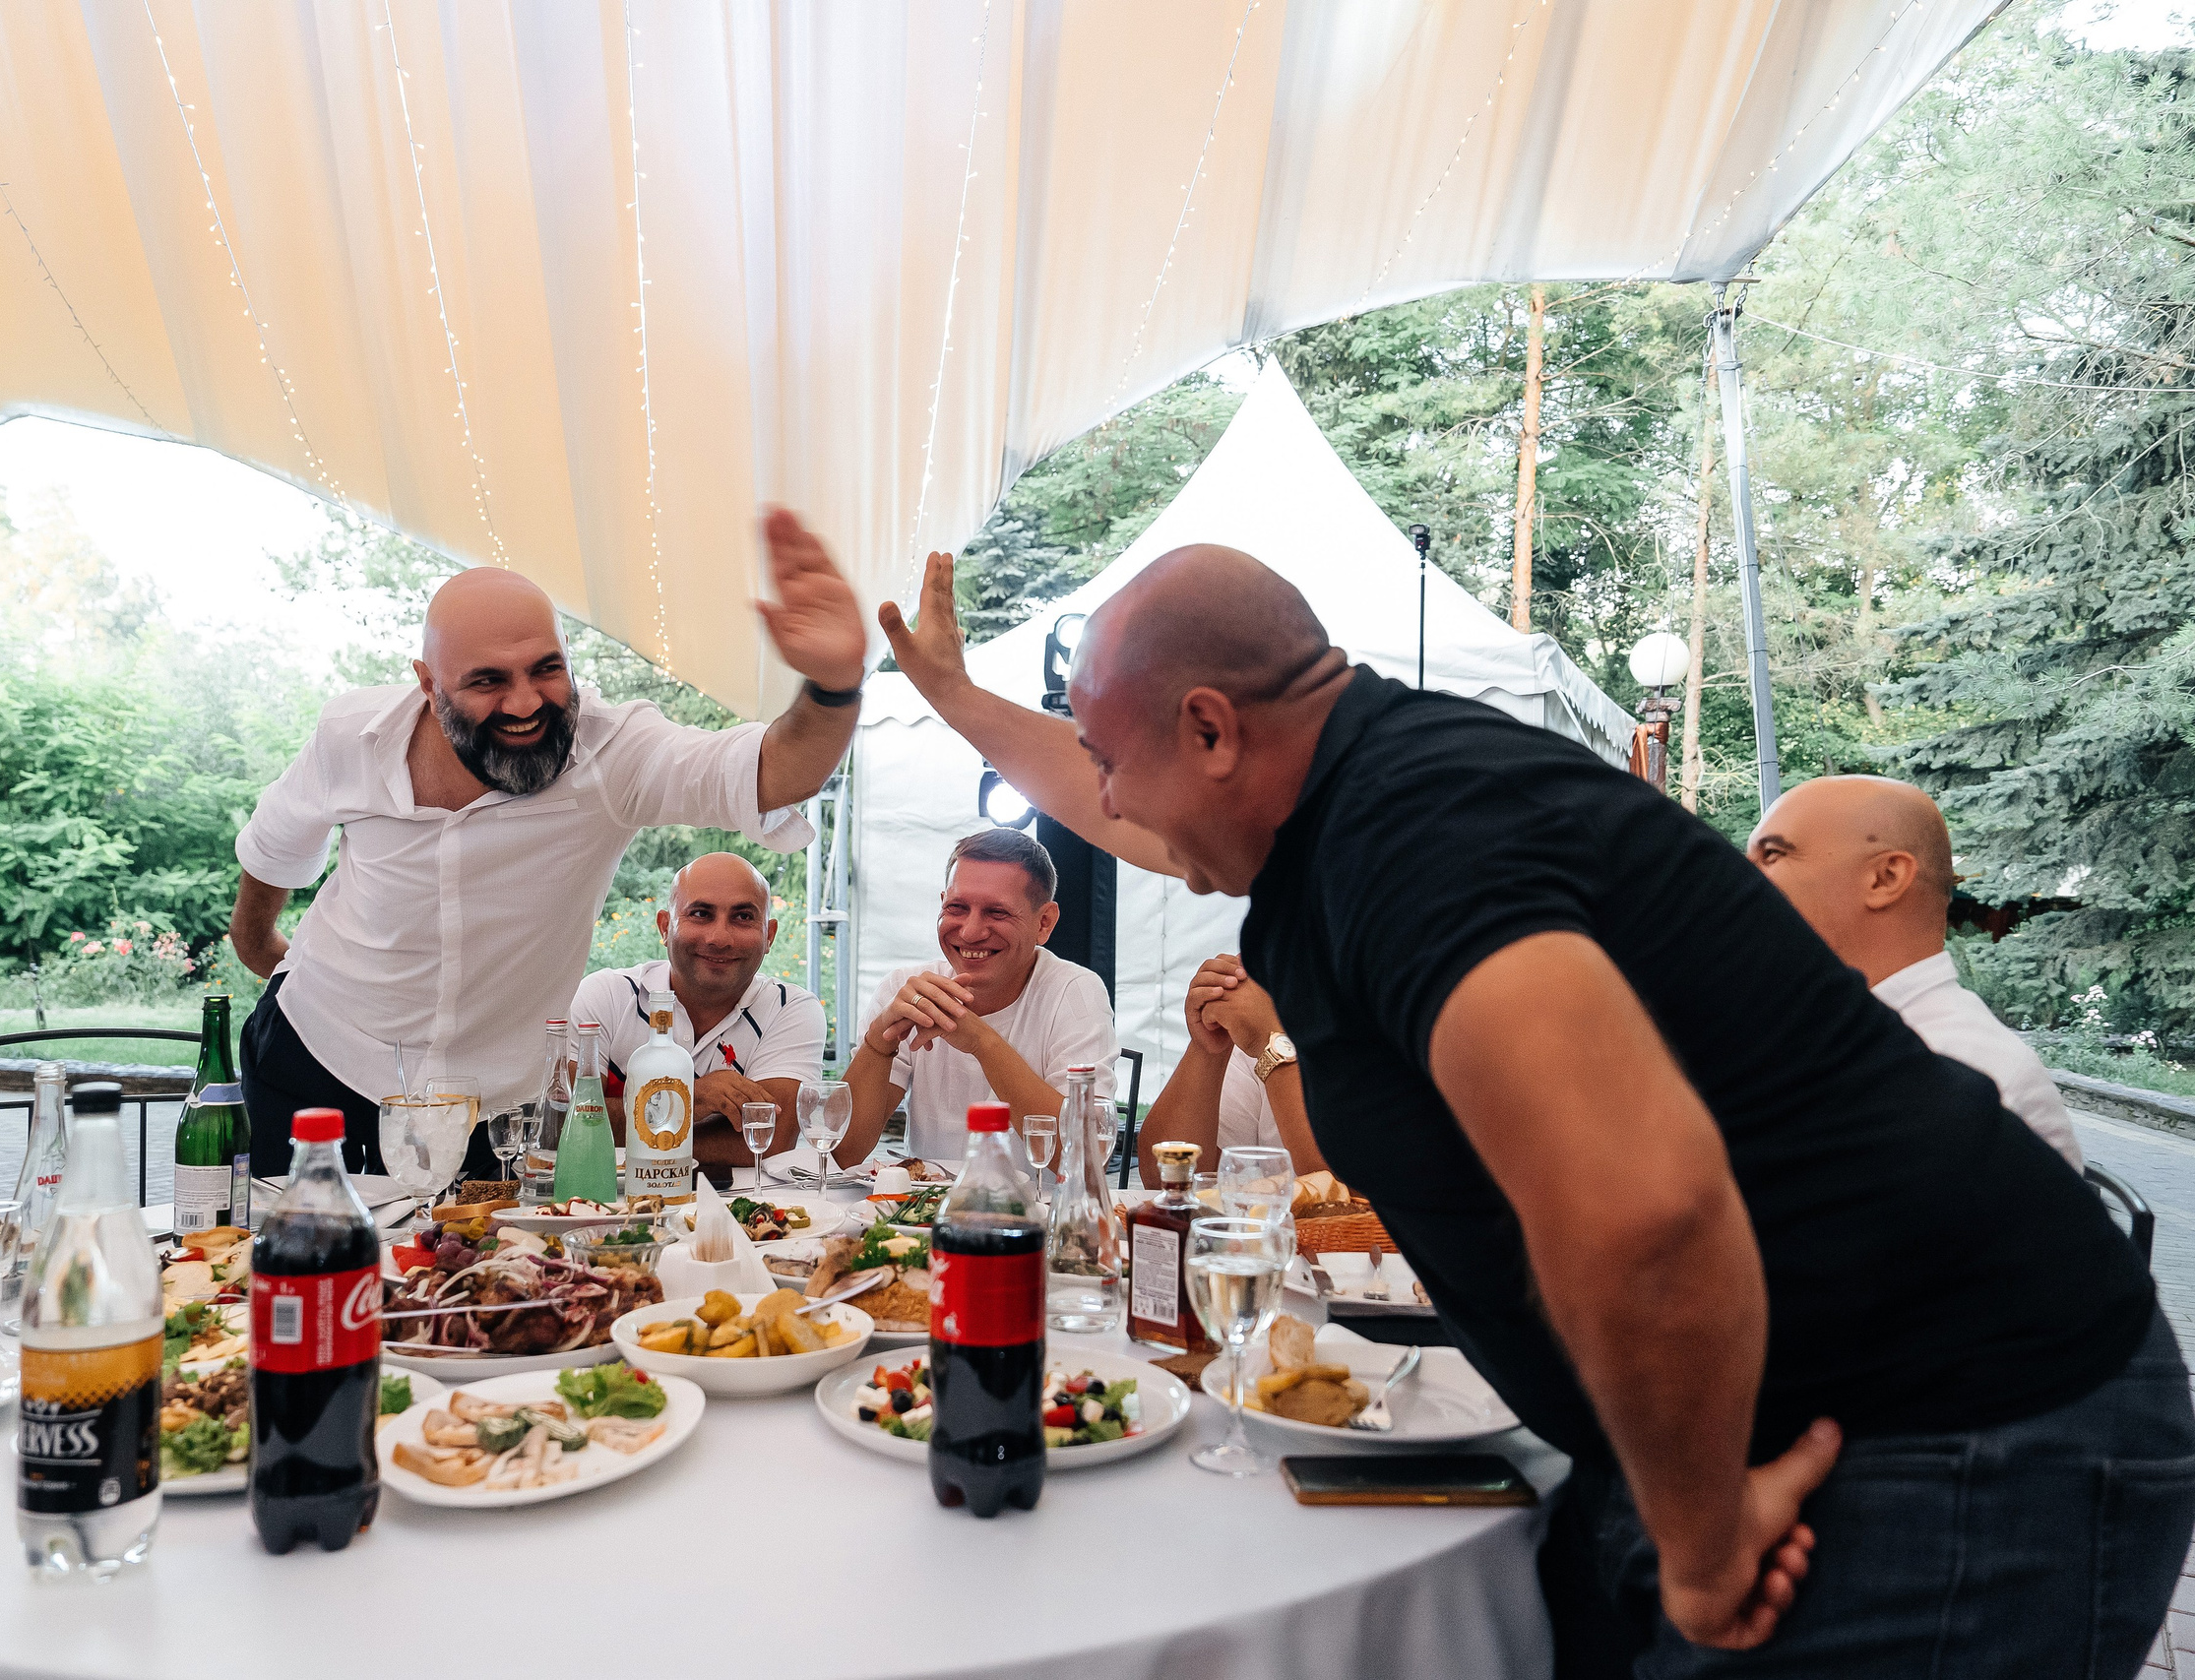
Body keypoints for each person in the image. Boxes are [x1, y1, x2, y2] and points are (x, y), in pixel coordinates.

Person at [878, 545, 2184, 1676]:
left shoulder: (1414, 833)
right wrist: (949, 693)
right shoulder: (1337, 802)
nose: (1105, 804)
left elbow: (1645, 1206)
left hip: (1958, 1429)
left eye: (1114, 761)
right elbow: (1157, 814)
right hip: (1830, 1411)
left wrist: (1703, 1530)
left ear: (1215, 730)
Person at [231, 510, 867, 1176]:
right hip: (317, 1060)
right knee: (297, 1271)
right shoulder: (350, 735)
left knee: (479, 1275)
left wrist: (832, 686)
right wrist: (264, 953)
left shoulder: (611, 757)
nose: (526, 702)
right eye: (488, 680)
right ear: (427, 683)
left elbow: (775, 769)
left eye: (546, 669)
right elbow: (272, 846)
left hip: (491, 1108)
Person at [1749, 774, 2082, 1169]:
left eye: (1772, 854)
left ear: (1885, 877)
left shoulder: (1968, 1074)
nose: (1741, 880)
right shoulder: (1830, 1033)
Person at [845, 828, 1115, 1162]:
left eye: (997, 912)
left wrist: (981, 1042)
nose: (971, 932)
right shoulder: (905, 988)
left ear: (1044, 922)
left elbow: (1084, 1157)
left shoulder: (1074, 992)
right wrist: (878, 1043)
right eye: (956, 907)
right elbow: (844, 1151)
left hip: (1040, 1211)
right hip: (924, 1210)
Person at [569, 851, 827, 1179]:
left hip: (737, 1215)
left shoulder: (791, 1009)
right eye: (701, 913)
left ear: (769, 936)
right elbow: (570, 1122)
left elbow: (769, 1141)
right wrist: (690, 1098)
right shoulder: (605, 995)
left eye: (743, 917)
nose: (719, 938)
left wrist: (629, 1125)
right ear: (665, 926)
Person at [1137, 954, 1325, 1174]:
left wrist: (1272, 1045)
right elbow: (1165, 1178)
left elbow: (1348, 1193)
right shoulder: (1276, 1012)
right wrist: (1209, 1046)